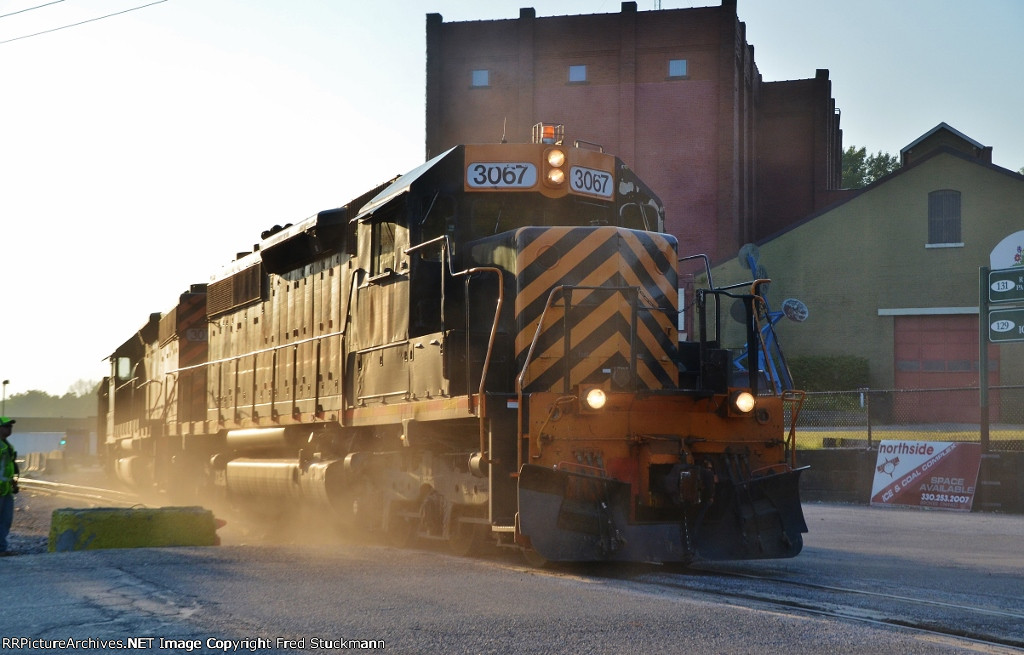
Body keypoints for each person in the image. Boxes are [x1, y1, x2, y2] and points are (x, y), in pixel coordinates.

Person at [0, 416, 19, 555]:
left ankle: (1, 548)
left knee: (5, 521)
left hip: (5, 490)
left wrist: (13, 482)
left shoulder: (7, 446)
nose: (9, 429)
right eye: (6, 426)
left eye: (10, 426)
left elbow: (9, 466)